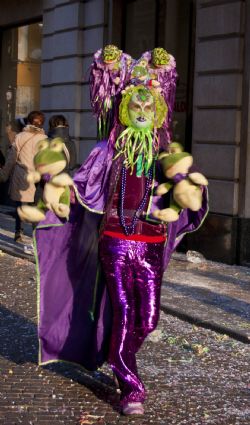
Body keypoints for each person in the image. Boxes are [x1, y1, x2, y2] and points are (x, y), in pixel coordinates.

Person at [34, 47, 208, 416]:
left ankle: (119, 355)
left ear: (157, 111)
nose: (142, 114)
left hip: (151, 244)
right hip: (114, 241)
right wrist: (56, 183)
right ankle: (130, 384)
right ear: (124, 111)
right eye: (136, 108)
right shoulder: (107, 151)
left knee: (149, 318)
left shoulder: (164, 153)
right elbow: (81, 183)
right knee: (125, 312)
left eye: (149, 109)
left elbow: (183, 186)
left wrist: (190, 187)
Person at [4, 111, 47, 242]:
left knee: (19, 206)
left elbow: (11, 158)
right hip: (36, 177)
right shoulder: (45, 140)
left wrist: (4, 173)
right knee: (36, 206)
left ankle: (18, 232)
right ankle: (36, 235)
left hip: (20, 175)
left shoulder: (20, 136)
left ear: (29, 121)